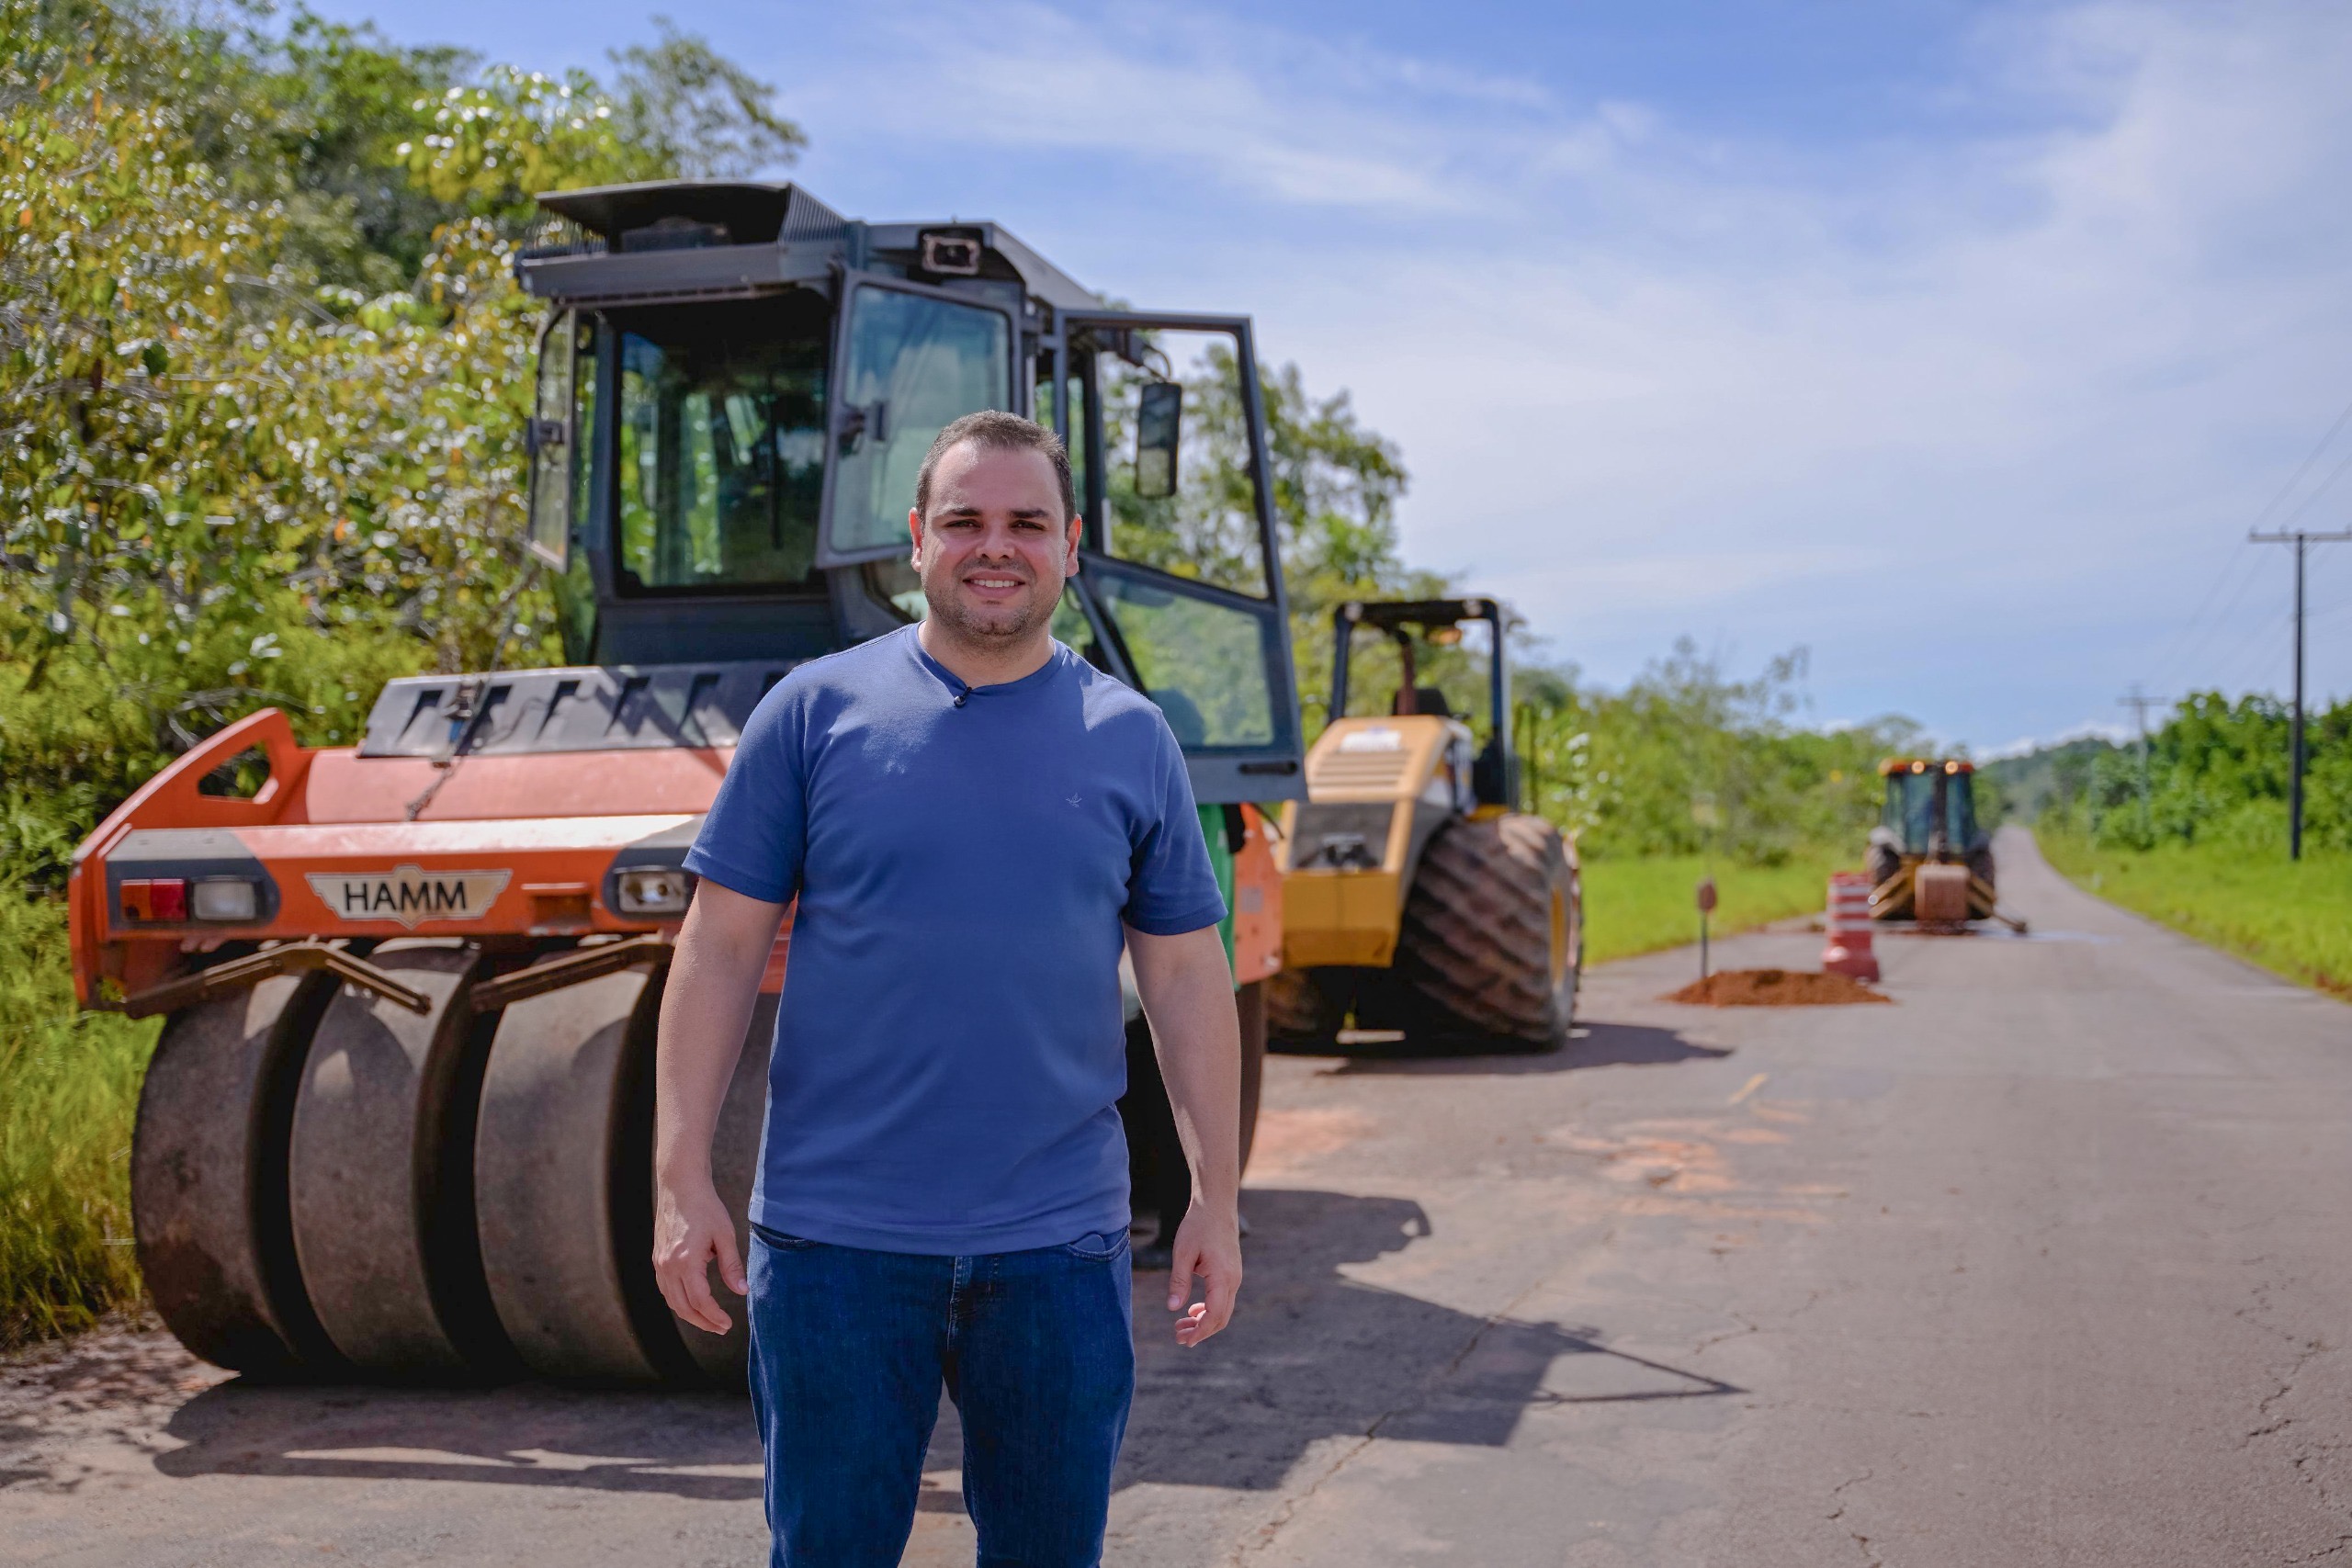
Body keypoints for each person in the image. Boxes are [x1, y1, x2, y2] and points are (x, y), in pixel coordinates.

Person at [650, 410, 1245, 1566]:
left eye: (1027, 522)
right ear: (917, 540)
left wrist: (1214, 1197)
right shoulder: (812, 715)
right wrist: (680, 1179)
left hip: (1059, 1254)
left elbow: (1182, 977)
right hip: (834, 1253)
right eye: (965, 520)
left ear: (1069, 545)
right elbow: (716, 950)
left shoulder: (1132, 741)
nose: (995, 546)